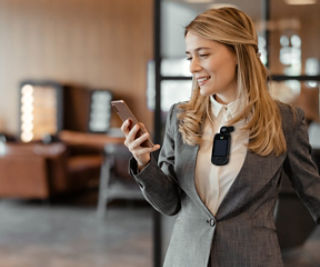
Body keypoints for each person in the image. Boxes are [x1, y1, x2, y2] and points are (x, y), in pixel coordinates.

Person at [120, 7, 320, 267]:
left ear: (238, 53)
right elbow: (169, 204)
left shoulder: (285, 120)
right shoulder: (180, 117)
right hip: (185, 260)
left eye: (203, 54)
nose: (193, 67)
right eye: (189, 56)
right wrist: (144, 161)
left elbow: (313, 193)